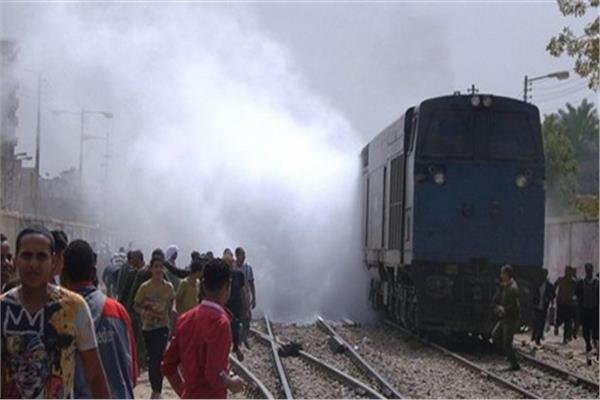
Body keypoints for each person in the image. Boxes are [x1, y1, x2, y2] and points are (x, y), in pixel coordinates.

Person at [0, 226, 110, 398]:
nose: (33, 264)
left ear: (53, 261)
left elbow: (95, 376)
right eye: (27, 255)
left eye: (41, 256)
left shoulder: (75, 308)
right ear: (16, 260)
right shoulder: (3, 308)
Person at [62, 239, 138, 398]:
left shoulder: (58, 316)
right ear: (93, 272)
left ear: (63, 274)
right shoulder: (117, 310)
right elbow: (132, 373)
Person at [161, 258, 246, 399]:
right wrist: (231, 383)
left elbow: (168, 366)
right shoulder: (221, 323)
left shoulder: (185, 318)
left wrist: (184, 393)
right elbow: (214, 374)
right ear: (227, 286)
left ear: (204, 286)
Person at [134, 257, 175, 399]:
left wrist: (172, 317)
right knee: (153, 359)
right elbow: (136, 305)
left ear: (164, 269)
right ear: (151, 269)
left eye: (160, 267)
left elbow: (172, 305)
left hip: (163, 328)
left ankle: (157, 390)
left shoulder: (169, 287)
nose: (158, 269)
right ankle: (155, 388)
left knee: (159, 357)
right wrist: (145, 312)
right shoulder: (144, 287)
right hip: (148, 328)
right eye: (155, 266)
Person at [492, 264, 521, 371]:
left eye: (502, 273)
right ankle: (508, 356)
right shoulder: (506, 285)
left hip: (510, 318)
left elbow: (514, 305)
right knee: (495, 335)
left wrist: (503, 310)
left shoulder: (512, 288)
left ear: (507, 274)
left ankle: (514, 364)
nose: (501, 275)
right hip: (505, 317)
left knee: (507, 342)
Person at [576, 263, 599, 364]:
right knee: (586, 334)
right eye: (587, 270)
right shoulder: (581, 282)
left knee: (595, 334)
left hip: (594, 311)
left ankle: (595, 350)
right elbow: (577, 295)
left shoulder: (597, 283)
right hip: (586, 311)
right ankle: (589, 354)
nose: (589, 271)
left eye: (590, 270)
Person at [224, 252, 244, 361]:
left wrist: (245, 305)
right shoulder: (222, 275)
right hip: (225, 306)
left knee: (235, 326)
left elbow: (242, 291)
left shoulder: (238, 275)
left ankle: (236, 347)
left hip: (236, 305)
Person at [235, 247, 255, 349]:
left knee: (247, 319)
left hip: (246, 296)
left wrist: (254, 297)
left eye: (244, 255)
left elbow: (251, 283)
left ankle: (244, 337)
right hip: (235, 297)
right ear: (237, 255)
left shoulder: (248, 268)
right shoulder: (233, 267)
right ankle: (237, 340)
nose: (244, 257)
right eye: (242, 255)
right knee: (236, 319)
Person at [531, 269, 555, 346]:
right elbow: (533, 293)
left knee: (541, 323)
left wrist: (549, 297)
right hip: (536, 306)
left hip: (544, 307)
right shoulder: (537, 283)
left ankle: (538, 337)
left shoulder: (549, 285)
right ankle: (534, 334)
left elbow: (553, 295)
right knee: (536, 321)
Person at [554, 265, 577, 343]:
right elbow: (554, 286)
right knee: (560, 318)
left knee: (568, 321)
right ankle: (556, 326)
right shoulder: (561, 279)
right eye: (567, 271)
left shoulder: (574, 282)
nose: (568, 273)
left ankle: (565, 337)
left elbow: (577, 290)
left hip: (569, 304)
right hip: (561, 303)